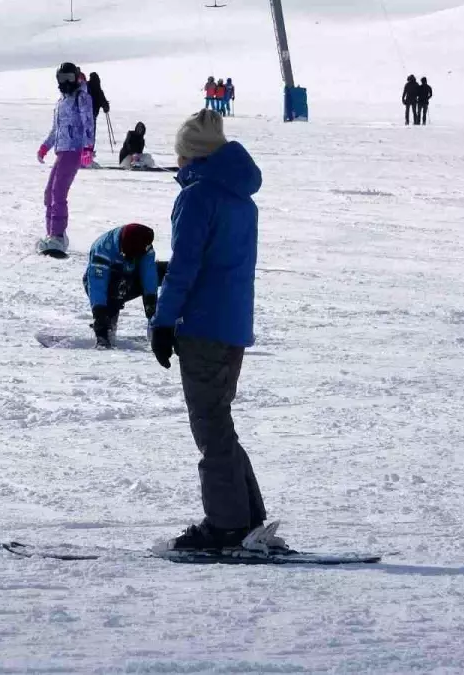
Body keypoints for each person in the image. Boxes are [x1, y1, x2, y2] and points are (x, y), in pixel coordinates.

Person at [149, 109, 286, 555]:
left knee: (210, 425)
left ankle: (225, 525)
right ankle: (245, 516)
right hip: (232, 326)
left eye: (181, 155)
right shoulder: (241, 197)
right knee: (219, 420)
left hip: (203, 326)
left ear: (191, 155)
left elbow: (185, 268)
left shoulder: (199, 196)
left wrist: (163, 321)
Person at [36, 62, 94, 258]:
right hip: (62, 150)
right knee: (48, 193)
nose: (65, 83)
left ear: (76, 77)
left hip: (74, 150)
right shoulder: (61, 101)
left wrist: (88, 148)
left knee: (58, 191)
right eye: (61, 79)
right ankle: (52, 234)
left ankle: (58, 235)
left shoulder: (82, 97)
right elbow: (56, 130)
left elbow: (88, 123)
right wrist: (45, 146)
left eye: (69, 78)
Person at [84, 224, 165, 349]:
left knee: (169, 272)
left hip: (128, 277)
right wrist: (99, 315)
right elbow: (97, 285)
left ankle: (164, 325)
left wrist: (151, 305)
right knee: (117, 285)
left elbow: (149, 275)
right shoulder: (103, 248)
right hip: (103, 284)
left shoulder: (144, 244)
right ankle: (106, 329)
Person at [87, 72, 110, 141]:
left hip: (84, 113)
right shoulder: (99, 90)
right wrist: (106, 107)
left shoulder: (86, 86)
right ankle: (90, 146)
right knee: (91, 132)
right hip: (93, 114)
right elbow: (103, 101)